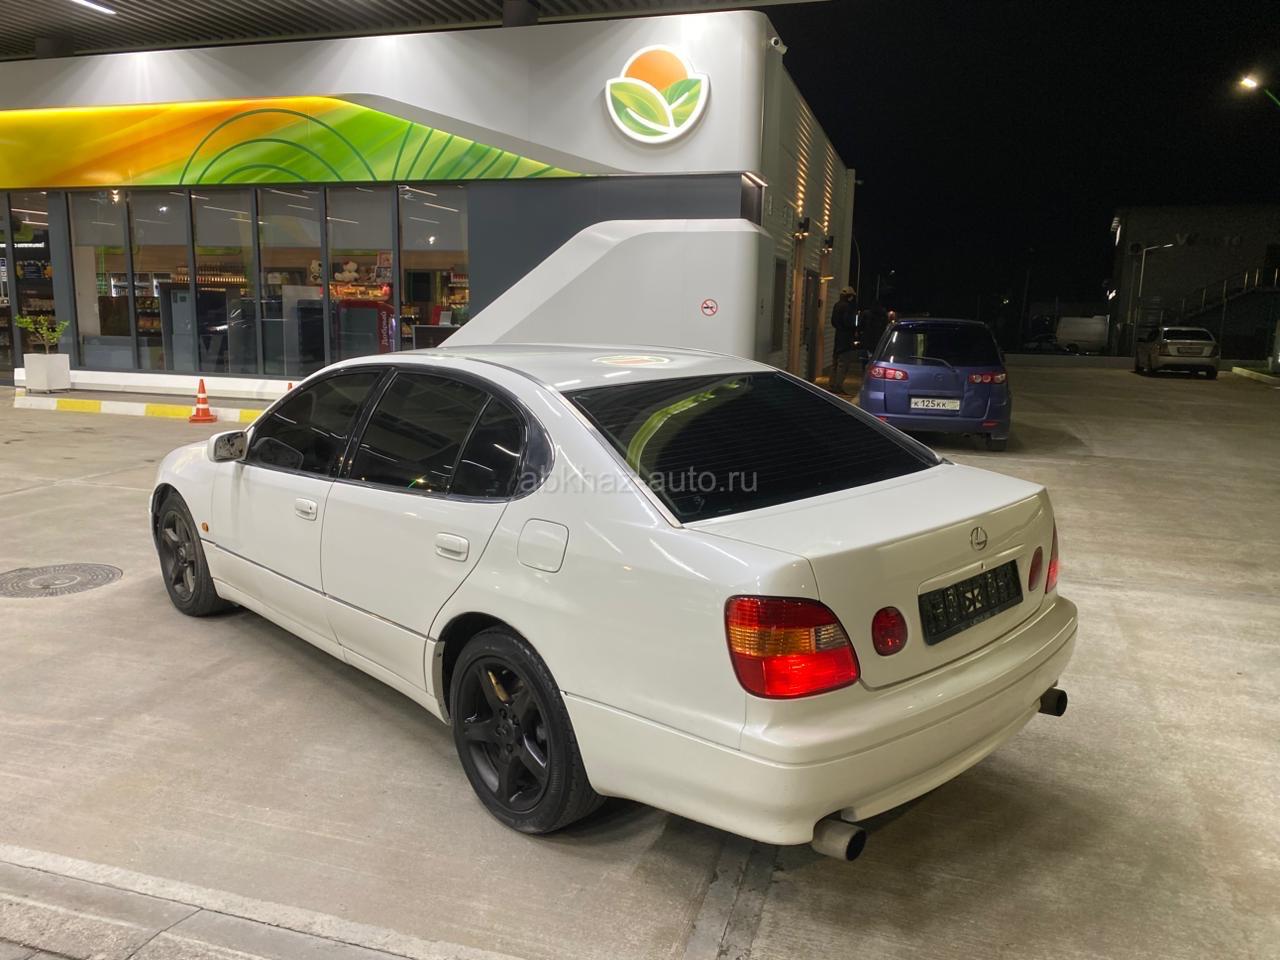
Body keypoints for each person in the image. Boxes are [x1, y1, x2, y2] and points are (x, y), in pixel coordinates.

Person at [829, 286, 858, 394]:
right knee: (843, 364)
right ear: (850, 296)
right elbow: (848, 322)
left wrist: (839, 327)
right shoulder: (848, 307)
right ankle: (838, 386)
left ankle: (832, 384)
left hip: (838, 337)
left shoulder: (837, 305)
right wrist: (854, 329)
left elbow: (833, 321)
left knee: (835, 363)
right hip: (846, 338)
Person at [855, 302, 890, 370]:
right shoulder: (883, 314)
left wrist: (858, 333)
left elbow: (861, 325)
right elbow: (885, 325)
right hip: (879, 338)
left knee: (865, 355)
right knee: (877, 355)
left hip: (867, 337)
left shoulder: (866, 313)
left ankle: (865, 369)